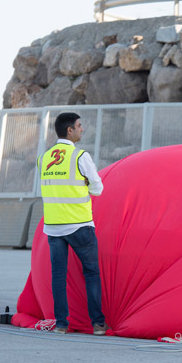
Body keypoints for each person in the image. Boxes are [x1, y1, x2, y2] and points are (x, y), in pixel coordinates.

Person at [38, 112, 107, 335]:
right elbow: (98, 188)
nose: (82, 129)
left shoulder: (44, 158)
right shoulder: (79, 156)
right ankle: (97, 324)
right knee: (91, 273)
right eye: (79, 126)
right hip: (79, 225)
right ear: (70, 130)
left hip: (53, 226)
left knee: (58, 276)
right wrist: (85, 183)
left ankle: (61, 324)